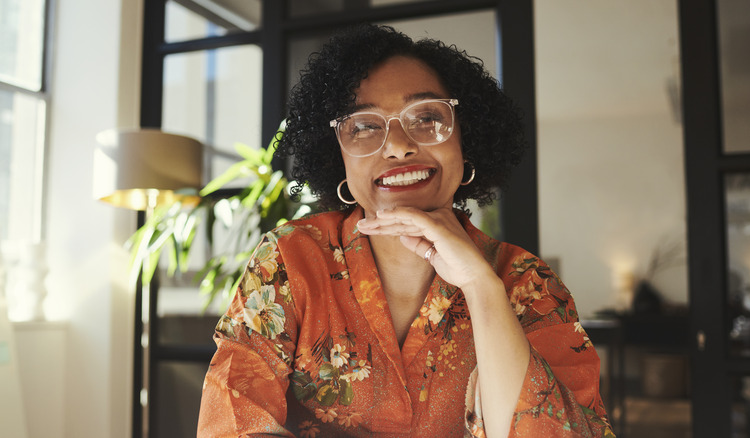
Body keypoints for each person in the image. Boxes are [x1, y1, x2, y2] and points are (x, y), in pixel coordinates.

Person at [197, 24, 613, 438]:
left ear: (466, 141)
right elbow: (230, 426)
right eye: (363, 126)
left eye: (427, 117)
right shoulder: (289, 261)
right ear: (337, 156)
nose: (397, 145)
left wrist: (482, 288)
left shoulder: (528, 285)